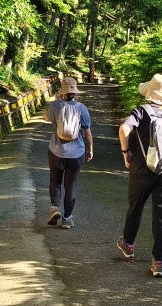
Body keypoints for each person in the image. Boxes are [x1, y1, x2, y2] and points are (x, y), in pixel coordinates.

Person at [115, 73, 162, 278]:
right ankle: (158, 262)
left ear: (149, 93)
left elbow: (123, 128)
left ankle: (128, 245)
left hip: (141, 170)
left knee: (135, 208)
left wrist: (125, 152)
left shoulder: (141, 111)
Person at [43, 76, 93, 229]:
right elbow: (87, 132)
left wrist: (56, 100)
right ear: (75, 92)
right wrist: (90, 149)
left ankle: (54, 207)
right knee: (70, 185)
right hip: (76, 153)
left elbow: (45, 119)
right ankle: (67, 219)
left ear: (62, 91)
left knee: (55, 181)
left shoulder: (55, 105)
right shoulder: (81, 108)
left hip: (56, 151)